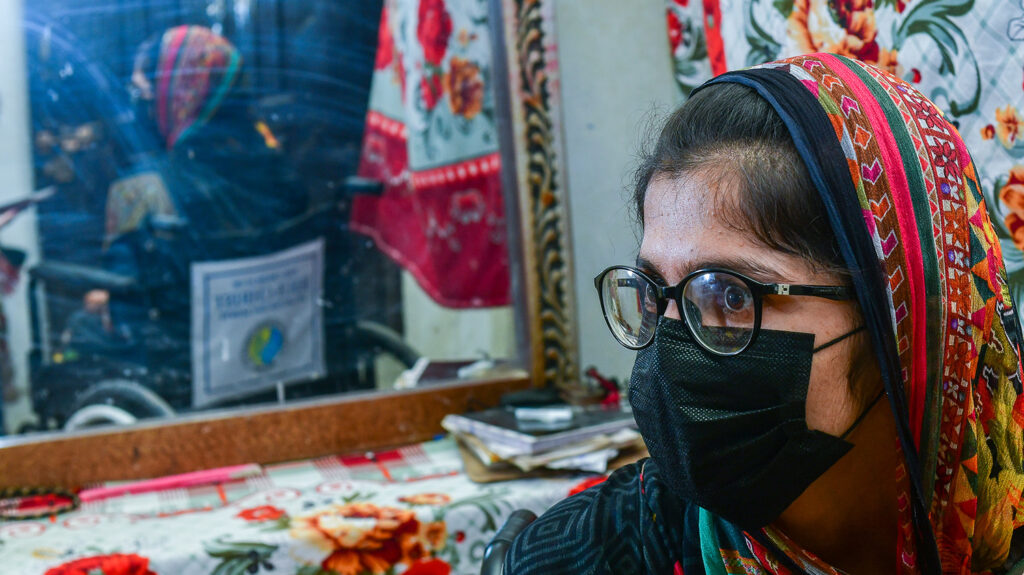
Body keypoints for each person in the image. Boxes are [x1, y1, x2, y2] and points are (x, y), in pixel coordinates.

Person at [504, 53, 1024, 574]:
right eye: (654, 291)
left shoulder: (1001, 527)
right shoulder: (593, 557)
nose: (669, 346)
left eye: (729, 296)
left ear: (901, 319)